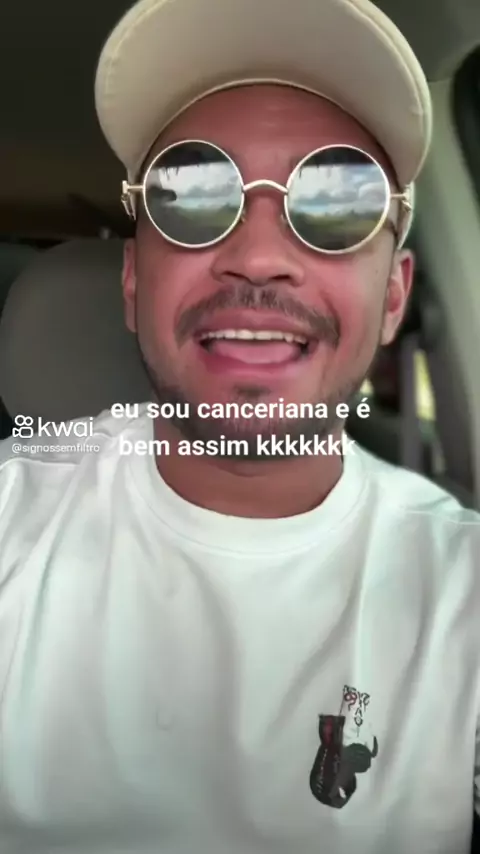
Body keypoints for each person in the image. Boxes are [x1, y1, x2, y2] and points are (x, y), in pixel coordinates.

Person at [0, 0, 479, 852]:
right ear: (133, 284)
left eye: (337, 199)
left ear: (394, 295)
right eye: (192, 193)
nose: (258, 257)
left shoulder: (460, 596)